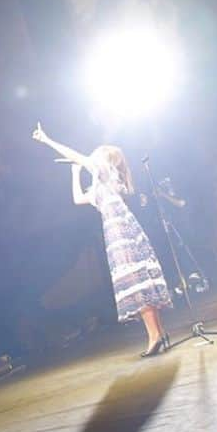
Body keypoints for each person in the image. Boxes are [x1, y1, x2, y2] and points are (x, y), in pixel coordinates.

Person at [32, 123, 173, 357]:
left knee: (137, 282)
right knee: (139, 281)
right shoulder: (101, 184)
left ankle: (155, 336)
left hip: (121, 232)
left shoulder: (108, 175)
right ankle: (159, 333)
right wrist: (75, 173)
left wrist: (47, 141)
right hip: (116, 231)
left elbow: (75, 155)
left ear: (105, 161)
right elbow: (78, 198)